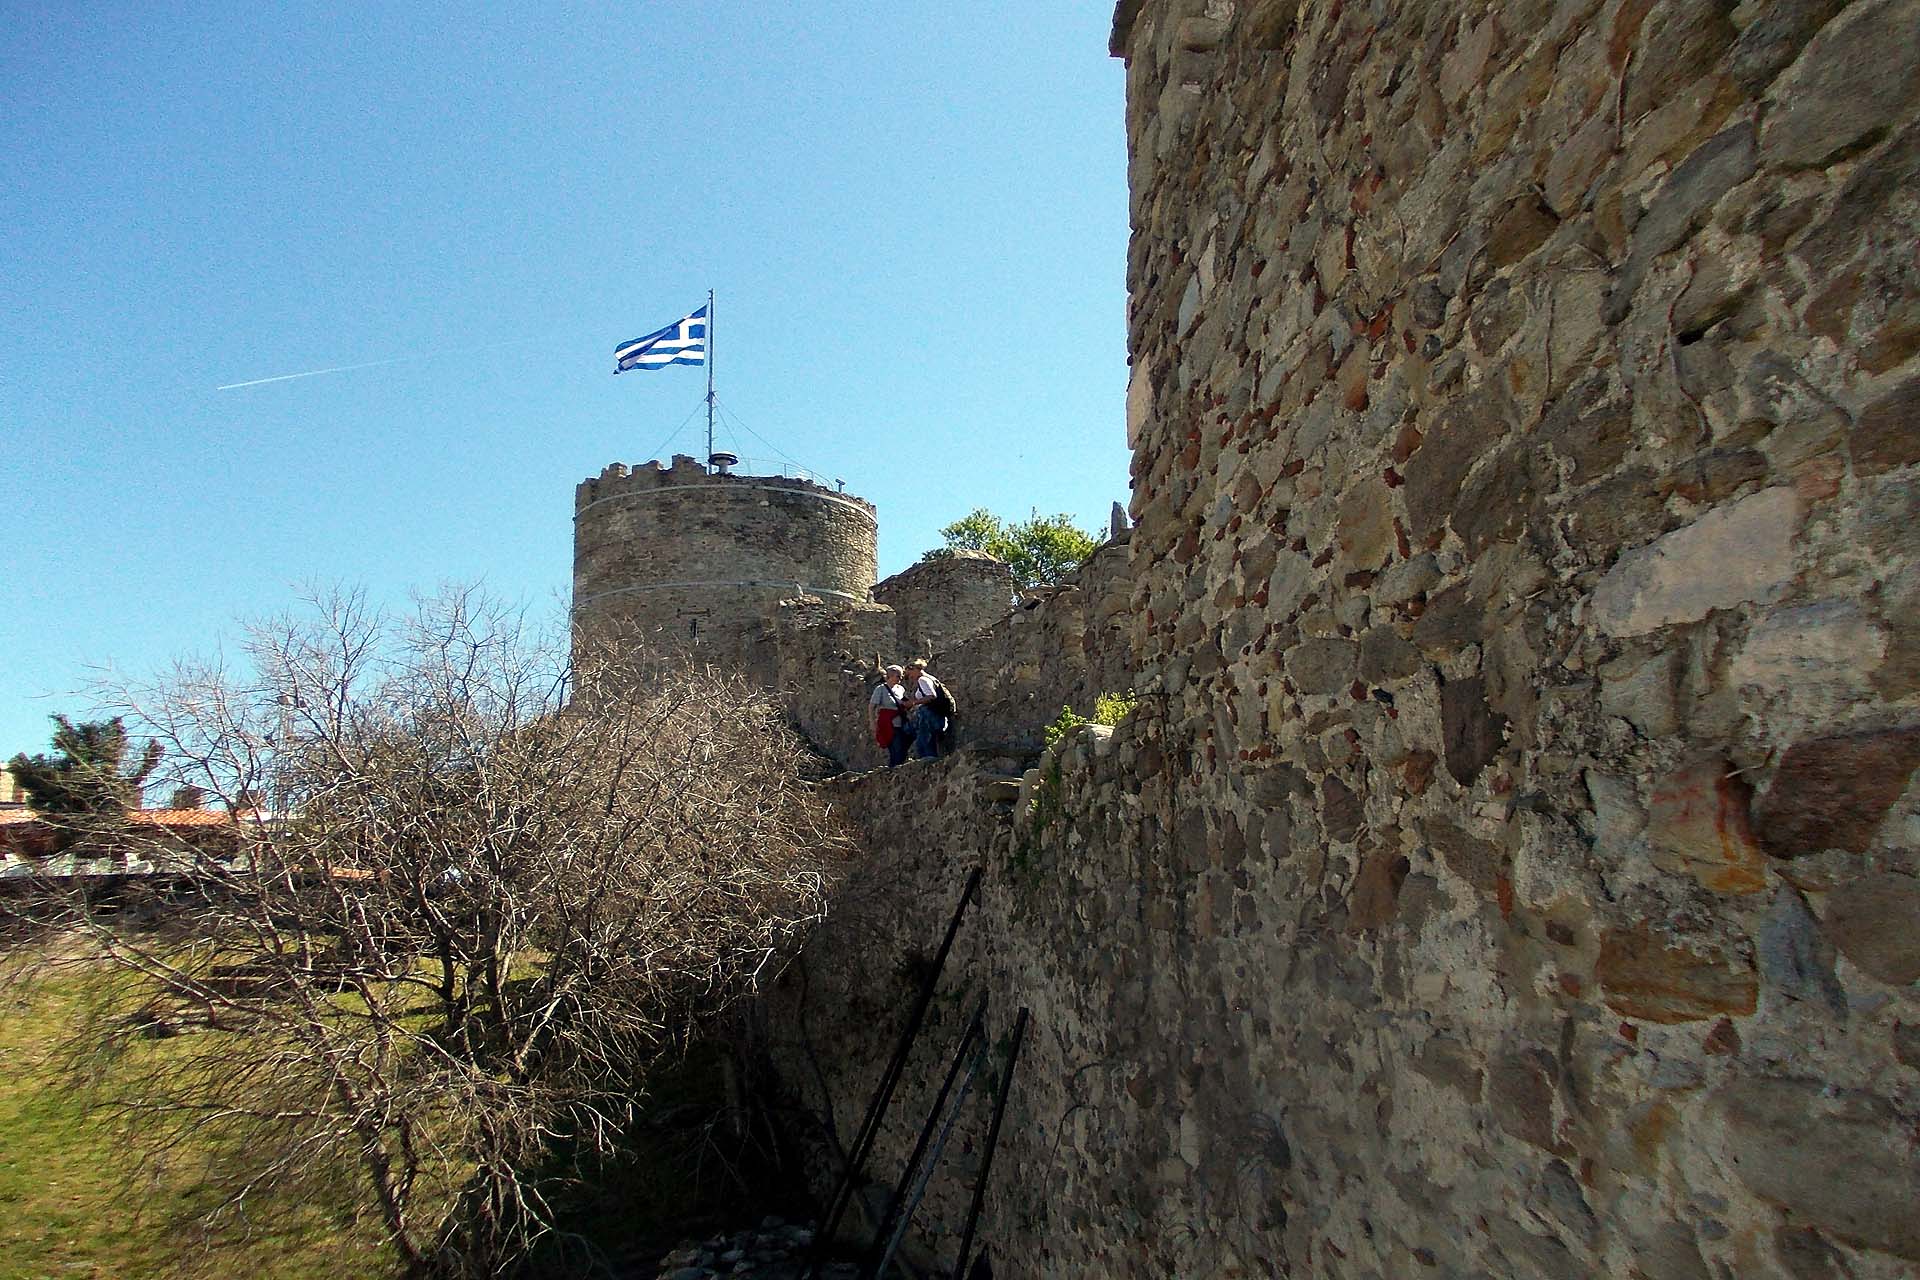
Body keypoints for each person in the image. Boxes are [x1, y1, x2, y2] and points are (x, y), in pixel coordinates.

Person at [902, 660, 948, 760]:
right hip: (937, 714)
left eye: (910, 675)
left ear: (915, 669)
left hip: (929, 715)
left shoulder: (922, 680)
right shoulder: (931, 678)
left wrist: (913, 702)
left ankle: (928, 762)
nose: (910, 678)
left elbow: (931, 696)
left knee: (924, 741)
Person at [870, 665, 910, 767]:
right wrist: (872, 723)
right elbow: (872, 706)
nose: (900, 678)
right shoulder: (881, 689)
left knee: (902, 748)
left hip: (900, 723)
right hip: (888, 724)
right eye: (898, 676)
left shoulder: (901, 689)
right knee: (895, 749)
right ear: (890, 675)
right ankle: (894, 770)